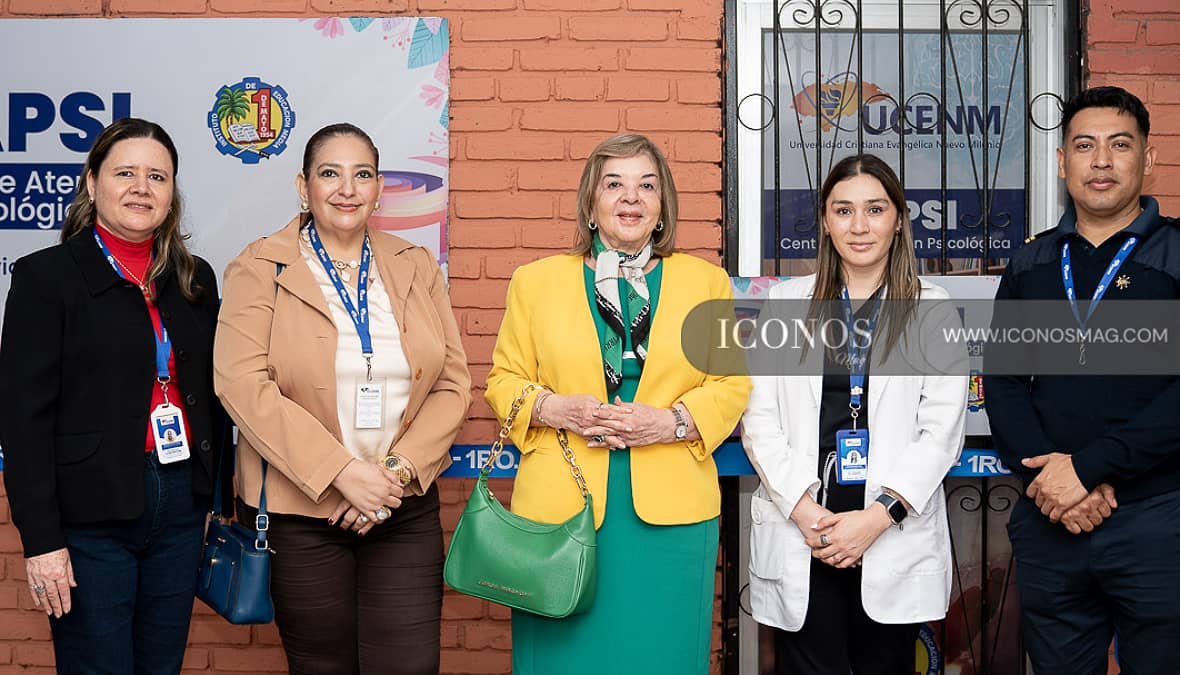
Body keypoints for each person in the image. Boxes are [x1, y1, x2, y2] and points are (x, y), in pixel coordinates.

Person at [485, 133, 750, 674]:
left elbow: (730, 385)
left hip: (672, 517)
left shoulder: (706, 283)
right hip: (562, 511)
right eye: (614, 184)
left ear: (661, 207)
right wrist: (554, 409)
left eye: (646, 185)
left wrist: (669, 421)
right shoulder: (536, 283)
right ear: (590, 204)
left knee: (663, 658)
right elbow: (503, 381)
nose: (631, 198)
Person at [213, 122, 470, 674]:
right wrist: (342, 474)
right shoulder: (259, 267)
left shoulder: (415, 265)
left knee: (410, 665)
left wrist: (392, 475)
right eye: (330, 173)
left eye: (362, 175)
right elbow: (241, 385)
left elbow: (452, 384)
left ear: (379, 190)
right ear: (303, 187)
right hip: (301, 512)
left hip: (401, 507)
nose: (346, 188)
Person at [983, 86, 1180, 673]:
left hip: (1159, 520)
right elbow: (1002, 381)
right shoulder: (1031, 262)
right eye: (1084, 145)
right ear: (1062, 161)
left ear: (1148, 159)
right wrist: (1052, 479)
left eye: (1119, 145)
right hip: (1051, 517)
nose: (1101, 161)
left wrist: (1087, 468)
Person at [0, 117, 226, 673]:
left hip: (179, 507)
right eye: (125, 172)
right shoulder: (45, 278)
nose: (141, 187)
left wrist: (216, 500)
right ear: (92, 181)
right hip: (88, 516)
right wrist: (42, 542)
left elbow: (217, 397)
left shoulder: (195, 280)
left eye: (157, 176)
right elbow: (22, 420)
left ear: (173, 194)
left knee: (161, 666)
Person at [740, 154, 967, 674]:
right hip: (807, 526)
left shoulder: (932, 309)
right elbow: (759, 420)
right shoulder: (785, 303)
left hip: (888, 526)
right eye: (843, 211)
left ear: (899, 219)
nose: (859, 226)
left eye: (875, 209)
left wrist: (875, 519)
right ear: (825, 220)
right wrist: (804, 511)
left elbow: (941, 432)